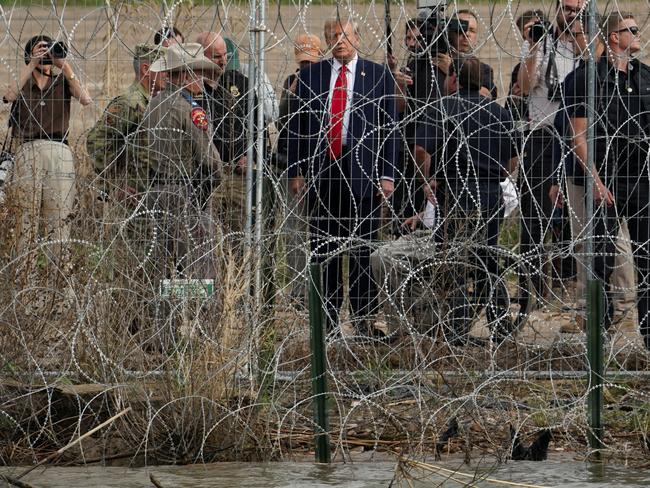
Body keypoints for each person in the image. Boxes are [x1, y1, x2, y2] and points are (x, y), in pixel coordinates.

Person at [375, 57, 518, 345]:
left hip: (455, 192)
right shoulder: (498, 112)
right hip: (489, 194)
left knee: (451, 261)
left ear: (454, 79)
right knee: (486, 260)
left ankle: (454, 329)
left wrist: (427, 178)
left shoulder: (445, 107)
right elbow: (511, 161)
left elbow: (419, 148)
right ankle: (500, 326)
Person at [287, 19, 397, 337]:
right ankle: (328, 320)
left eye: (345, 35)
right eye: (333, 36)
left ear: (357, 38)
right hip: (324, 168)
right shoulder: (311, 76)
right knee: (326, 247)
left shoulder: (377, 76)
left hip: (362, 169)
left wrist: (387, 175)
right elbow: (298, 128)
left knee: (362, 248)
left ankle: (363, 319)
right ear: (327, 40)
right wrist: (296, 170)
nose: (340, 41)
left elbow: (389, 128)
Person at [549, 14, 637, 334]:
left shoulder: (593, 76)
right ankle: (605, 309)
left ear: (597, 36)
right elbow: (565, 129)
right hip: (587, 170)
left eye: (577, 36)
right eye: (570, 37)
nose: (573, 42)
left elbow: (577, 134)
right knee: (596, 242)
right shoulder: (585, 76)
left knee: (608, 242)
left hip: (596, 172)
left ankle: (614, 309)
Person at [572, 12, 650, 348]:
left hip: (642, 177)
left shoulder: (645, 76)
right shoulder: (588, 77)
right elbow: (579, 135)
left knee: (646, 257)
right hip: (605, 178)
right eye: (631, 30)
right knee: (600, 259)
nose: (637, 34)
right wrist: (595, 181)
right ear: (613, 37)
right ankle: (598, 335)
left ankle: (647, 335)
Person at [516, 0, 583, 303]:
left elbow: (595, 64)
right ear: (556, 8)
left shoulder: (587, 41)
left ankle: (571, 283)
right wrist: (535, 45)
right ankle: (531, 287)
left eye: (577, 8)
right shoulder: (542, 45)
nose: (570, 13)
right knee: (534, 213)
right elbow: (524, 85)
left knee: (574, 215)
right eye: (566, 8)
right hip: (542, 136)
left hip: (576, 137)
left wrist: (579, 31)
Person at [2, 35, 91, 255]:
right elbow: (9, 96)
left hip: (58, 150)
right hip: (27, 150)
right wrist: (32, 64)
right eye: (40, 50)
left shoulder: (62, 82)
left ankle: (59, 282)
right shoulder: (24, 82)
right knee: (25, 223)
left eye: (49, 50)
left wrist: (65, 65)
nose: (46, 54)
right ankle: (26, 282)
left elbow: (86, 99)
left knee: (59, 223)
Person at [139, 43, 222, 279]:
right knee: (198, 265)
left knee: (165, 264)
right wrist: (212, 185)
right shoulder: (190, 110)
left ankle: (167, 311)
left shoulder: (153, 104)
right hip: (186, 192)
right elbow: (209, 159)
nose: (202, 79)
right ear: (186, 75)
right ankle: (195, 313)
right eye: (198, 72)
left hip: (156, 191)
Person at [276, 33, 323, 303]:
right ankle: (297, 290)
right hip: (291, 167)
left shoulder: (327, 83)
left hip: (318, 168)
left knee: (319, 228)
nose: (307, 68)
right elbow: (283, 124)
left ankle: (318, 288)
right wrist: (290, 97)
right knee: (294, 231)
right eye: (303, 63)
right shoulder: (290, 83)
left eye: (311, 63)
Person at [86, 44, 167, 201]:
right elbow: (96, 141)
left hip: (152, 193)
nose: (168, 75)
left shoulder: (155, 102)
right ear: (145, 69)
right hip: (132, 197)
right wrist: (115, 184)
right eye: (163, 69)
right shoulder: (129, 103)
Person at [195, 32, 247, 214]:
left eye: (225, 55)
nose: (223, 61)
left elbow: (258, 124)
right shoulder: (193, 90)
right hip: (205, 178)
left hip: (238, 176)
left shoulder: (239, 84)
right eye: (217, 56)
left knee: (238, 231)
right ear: (201, 57)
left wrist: (251, 156)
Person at [449, 9, 497, 99]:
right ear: (449, 32)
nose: (466, 34)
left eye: (472, 30)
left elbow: (488, 96)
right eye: (461, 28)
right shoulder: (434, 64)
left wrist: (450, 70)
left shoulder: (483, 69)